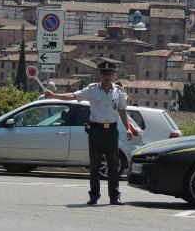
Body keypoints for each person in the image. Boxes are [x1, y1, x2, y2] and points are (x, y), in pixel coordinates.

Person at [45, 60, 132, 205]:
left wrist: (128, 128)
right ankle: (94, 196)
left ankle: (114, 196)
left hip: (111, 130)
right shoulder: (92, 90)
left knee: (113, 164)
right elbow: (74, 96)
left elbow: (122, 111)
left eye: (109, 74)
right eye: (104, 74)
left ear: (113, 76)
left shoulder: (118, 92)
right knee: (95, 164)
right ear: (100, 75)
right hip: (96, 130)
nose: (107, 76)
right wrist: (54, 95)